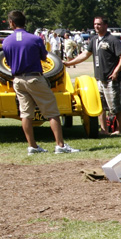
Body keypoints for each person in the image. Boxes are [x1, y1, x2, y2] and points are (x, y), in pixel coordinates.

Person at [2, 10, 78, 154]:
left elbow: (8, 60)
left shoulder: (6, 41)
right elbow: (44, 57)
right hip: (34, 77)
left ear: (11, 23)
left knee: (25, 113)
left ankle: (32, 146)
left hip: (17, 79)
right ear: (25, 22)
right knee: (52, 112)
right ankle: (60, 146)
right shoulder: (35, 39)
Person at [65, 16, 121, 134]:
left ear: (105, 26)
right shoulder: (94, 40)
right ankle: (104, 130)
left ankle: (119, 130)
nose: (96, 26)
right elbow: (85, 54)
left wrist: (116, 72)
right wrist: (69, 63)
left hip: (111, 79)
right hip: (99, 78)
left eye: (99, 24)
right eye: (95, 24)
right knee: (100, 106)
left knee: (115, 106)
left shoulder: (112, 40)